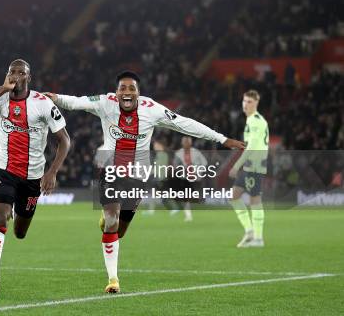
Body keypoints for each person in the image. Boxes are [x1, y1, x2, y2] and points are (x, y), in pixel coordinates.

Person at [46, 70, 245, 293]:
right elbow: (75, 102)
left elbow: (185, 124)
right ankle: (113, 279)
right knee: (112, 221)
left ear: (139, 93)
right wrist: (53, 98)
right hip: (109, 168)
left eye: (132, 88)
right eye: (123, 88)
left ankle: (109, 220)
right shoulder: (105, 103)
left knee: (118, 231)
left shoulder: (152, 109)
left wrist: (222, 139)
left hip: (137, 174)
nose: (127, 92)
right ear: (116, 92)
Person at [0, 59, 70, 299]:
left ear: (29, 77)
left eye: (20, 72)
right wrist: (2, 90)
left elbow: (65, 140)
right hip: (4, 169)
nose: (15, 76)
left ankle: (16, 211)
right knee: (0, 216)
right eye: (11, 72)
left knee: (20, 232)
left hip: (33, 175)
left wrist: (52, 172)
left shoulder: (42, 103)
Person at [229, 90, 269, 248]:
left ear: (256, 103)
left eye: (250, 102)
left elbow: (253, 147)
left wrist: (236, 165)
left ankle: (258, 238)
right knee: (234, 196)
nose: (246, 104)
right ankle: (249, 231)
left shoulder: (255, 121)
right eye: (244, 101)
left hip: (254, 165)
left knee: (254, 199)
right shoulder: (252, 120)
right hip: (250, 165)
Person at [173, 136, 207, 222]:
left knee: (192, 197)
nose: (185, 144)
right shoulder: (179, 153)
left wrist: (199, 172)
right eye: (184, 142)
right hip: (184, 177)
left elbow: (204, 163)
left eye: (187, 142)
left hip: (195, 177)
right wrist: (179, 170)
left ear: (190, 143)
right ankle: (188, 215)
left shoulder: (196, 152)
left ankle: (190, 211)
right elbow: (175, 165)